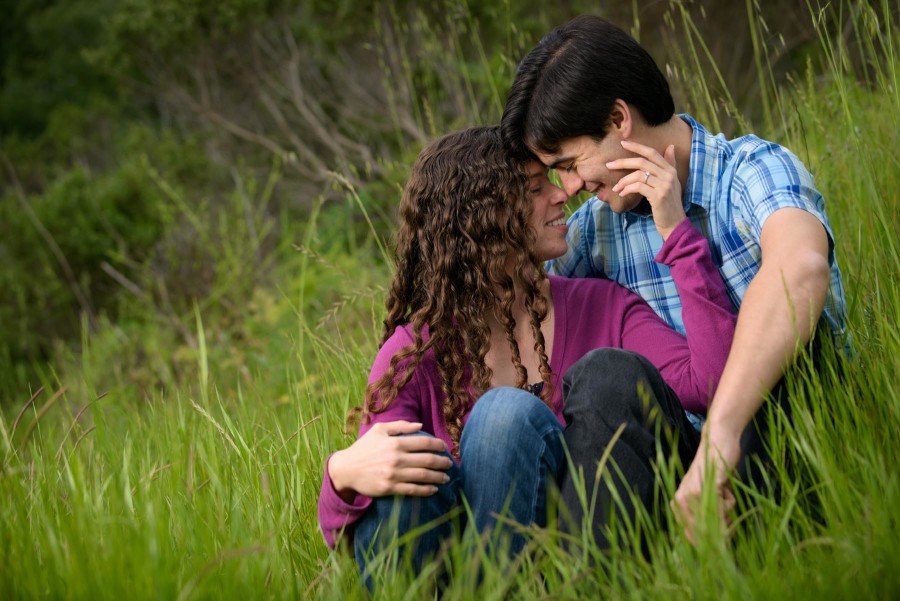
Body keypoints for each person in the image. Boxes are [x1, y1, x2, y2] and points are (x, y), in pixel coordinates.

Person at [317, 125, 737, 579]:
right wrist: (340, 475)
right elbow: (372, 517)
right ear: (482, 218)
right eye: (537, 189)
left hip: (568, 558)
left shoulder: (601, 306)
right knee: (409, 476)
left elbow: (711, 383)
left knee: (506, 415)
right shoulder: (416, 352)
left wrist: (678, 234)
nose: (562, 196)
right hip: (447, 565)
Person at [500, 15, 848, 542]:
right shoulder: (596, 228)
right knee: (604, 376)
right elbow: (512, 310)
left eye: (571, 163)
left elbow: (801, 270)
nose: (567, 187)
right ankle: (592, 579)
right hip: (679, 467)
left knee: (788, 343)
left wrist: (721, 439)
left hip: (791, 438)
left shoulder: (754, 170)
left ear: (619, 118)